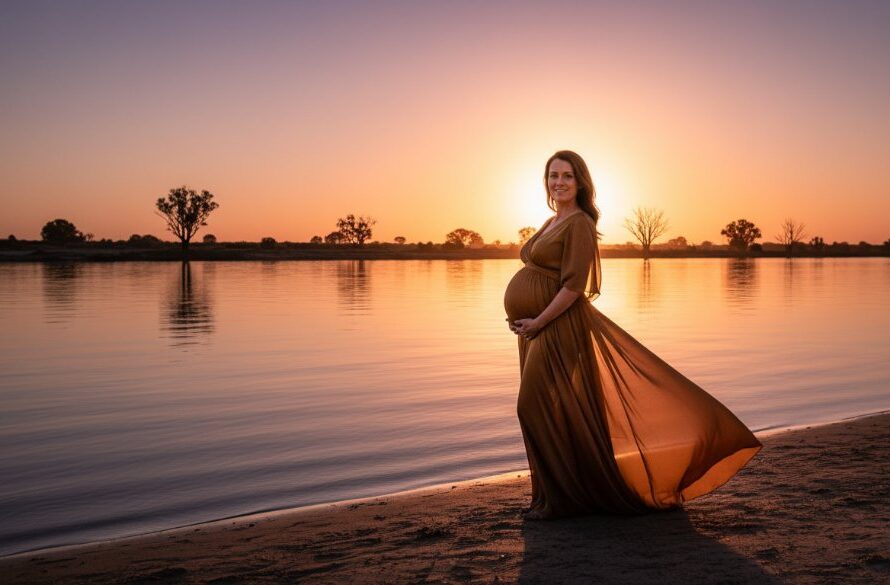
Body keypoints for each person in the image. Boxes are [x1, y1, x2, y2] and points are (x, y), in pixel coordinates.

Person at [503, 150, 761, 520]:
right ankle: (557, 497)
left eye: (567, 176)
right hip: (534, 329)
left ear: (581, 183)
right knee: (560, 410)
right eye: (553, 175)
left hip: (557, 327)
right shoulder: (551, 220)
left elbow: (575, 286)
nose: (558, 182)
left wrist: (539, 320)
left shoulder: (578, 223)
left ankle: (564, 498)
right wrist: (524, 319)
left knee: (532, 405)